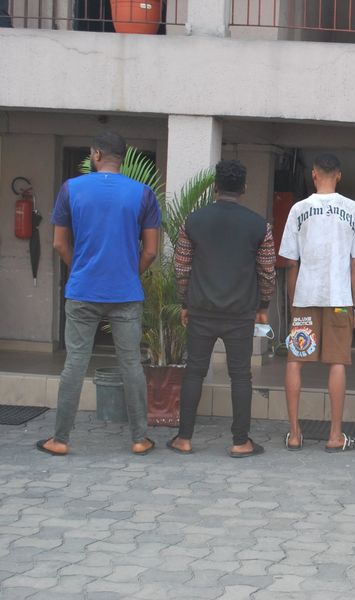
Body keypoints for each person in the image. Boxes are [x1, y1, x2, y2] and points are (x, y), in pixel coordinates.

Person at [37, 131, 161, 456]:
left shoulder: (71, 188)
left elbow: (58, 243)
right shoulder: (143, 193)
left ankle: (60, 439)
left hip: (83, 290)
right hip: (126, 292)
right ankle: (139, 438)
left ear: (95, 154)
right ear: (124, 157)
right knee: (131, 363)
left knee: (75, 362)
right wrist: (129, 273)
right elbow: (151, 251)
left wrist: (79, 267)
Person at [168, 160, 276, 458]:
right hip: (240, 313)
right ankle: (240, 441)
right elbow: (267, 272)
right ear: (244, 188)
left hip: (201, 310)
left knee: (194, 372)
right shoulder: (260, 226)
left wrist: (185, 302)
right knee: (240, 375)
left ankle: (184, 439)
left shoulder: (193, 221)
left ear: (215, 186)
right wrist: (263, 305)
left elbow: (181, 267)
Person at [278, 154, 355, 452]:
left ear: (314, 175)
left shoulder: (298, 209)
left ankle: (294, 434)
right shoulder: (354, 209)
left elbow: (290, 263)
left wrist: (293, 303)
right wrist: (354, 306)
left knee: (295, 360)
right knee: (338, 362)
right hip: (340, 300)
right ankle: (335, 436)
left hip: (305, 298)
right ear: (339, 175)